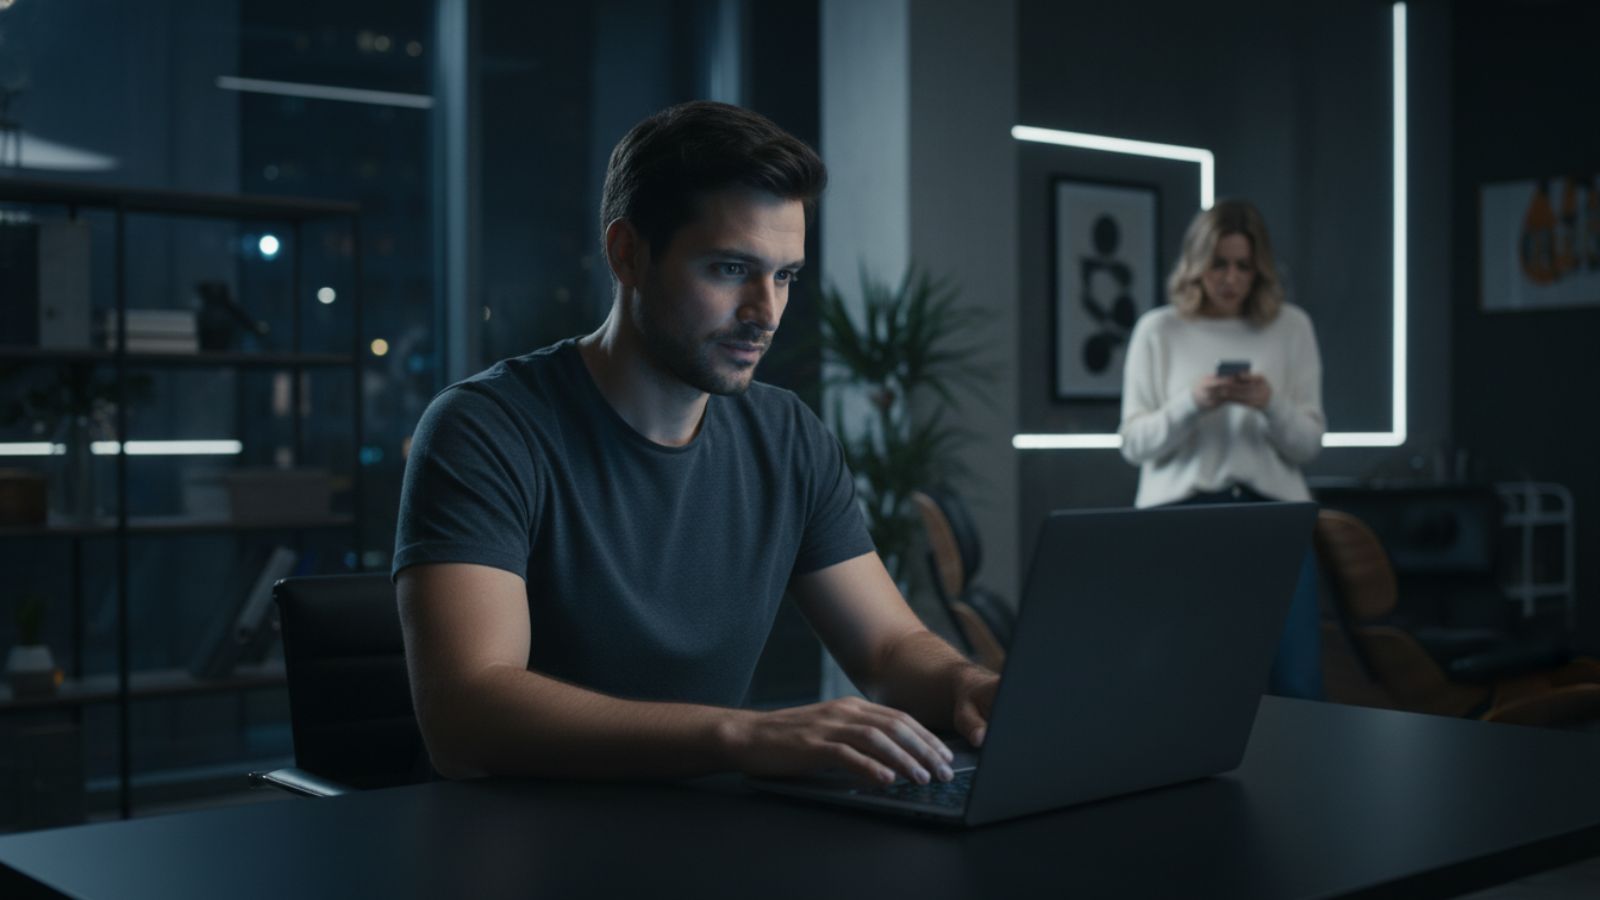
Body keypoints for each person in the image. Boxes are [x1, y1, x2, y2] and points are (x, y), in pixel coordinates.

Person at [393, 100, 998, 787]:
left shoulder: (788, 435)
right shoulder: (486, 429)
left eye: (785, 276)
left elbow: (889, 649)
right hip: (511, 843)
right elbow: (465, 716)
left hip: (701, 830)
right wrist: (742, 735)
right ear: (627, 254)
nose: (765, 314)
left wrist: (967, 687)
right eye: (730, 270)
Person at [1118, 199, 1326, 700]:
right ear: (1196, 264)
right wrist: (1191, 403)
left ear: (1259, 270)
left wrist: (1269, 404)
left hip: (1274, 516)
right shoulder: (1158, 329)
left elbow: (1309, 446)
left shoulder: (1291, 326)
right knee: (1180, 679)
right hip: (1180, 519)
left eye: (1243, 266)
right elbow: (1134, 444)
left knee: (1296, 680)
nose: (1231, 278)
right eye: (1219, 264)